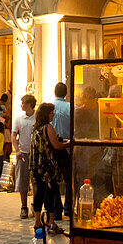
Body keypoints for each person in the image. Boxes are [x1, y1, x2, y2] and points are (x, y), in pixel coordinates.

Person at [29, 102, 67, 234]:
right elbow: (56, 146)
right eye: (52, 112)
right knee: (51, 192)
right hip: (47, 166)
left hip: (36, 165)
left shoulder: (36, 128)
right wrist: (68, 144)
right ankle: (51, 220)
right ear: (47, 114)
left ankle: (37, 221)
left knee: (39, 192)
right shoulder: (47, 127)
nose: (53, 114)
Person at [13, 94, 36, 218]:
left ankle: (35, 204)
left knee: (35, 180)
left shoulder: (36, 118)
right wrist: (17, 150)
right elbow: (14, 135)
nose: (22, 105)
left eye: (24, 103)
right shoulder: (19, 119)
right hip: (23, 152)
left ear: (29, 104)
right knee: (22, 180)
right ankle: (23, 206)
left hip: (34, 153)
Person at [51, 81, 71, 221]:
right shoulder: (70, 107)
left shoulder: (49, 108)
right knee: (69, 178)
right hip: (67, 145)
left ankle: (56, 211)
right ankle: (68, 208)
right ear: (66, 93)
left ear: (55, 92)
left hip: (52, 147)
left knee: (53, 180)